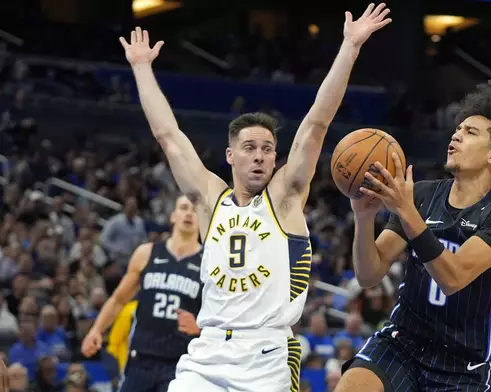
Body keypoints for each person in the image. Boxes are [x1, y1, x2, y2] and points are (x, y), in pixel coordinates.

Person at [118, 3, 391, 391]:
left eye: (267, 148)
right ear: (231, 155)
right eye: (250, 147)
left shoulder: (284, 197)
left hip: (267, 355)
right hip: (207, 352)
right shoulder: (211, 199)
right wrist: (142, 68)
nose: (260, 155)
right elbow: (168, 136)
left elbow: (316, 123)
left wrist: (350, 46)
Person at [336, 84, 491, 392]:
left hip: (462, 364)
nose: (456, 135)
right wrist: (363, 217)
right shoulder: (422, 195)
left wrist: (407, 213)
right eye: (458, 129)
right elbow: (369, 275)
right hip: (402, 342)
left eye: (471, 132)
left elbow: (454, 276)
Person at [81, 195, 203, 392]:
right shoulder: (146, 253)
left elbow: (221, 316)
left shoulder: (208, 262)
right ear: (173, 216)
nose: (189, 213)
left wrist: (199, 327)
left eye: (195, 210)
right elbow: (119, 299)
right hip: (141, 358)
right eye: (184, 208)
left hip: (182, 362)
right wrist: (97, 330)